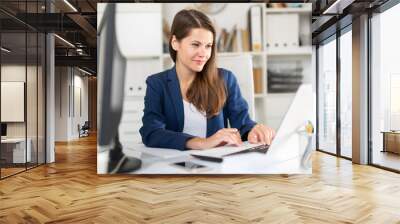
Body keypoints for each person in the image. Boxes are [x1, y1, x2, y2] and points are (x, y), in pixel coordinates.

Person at [139, 9, 275, 151]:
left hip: (215, 165)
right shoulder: (157, 84)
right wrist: (201, 143)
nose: (203, 53)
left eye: (208, 46)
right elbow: (151, 132)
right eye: (195, 44)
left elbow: (243, 123)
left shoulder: (225, 79)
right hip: (173, 166)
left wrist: (254, 130)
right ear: (175, 43)